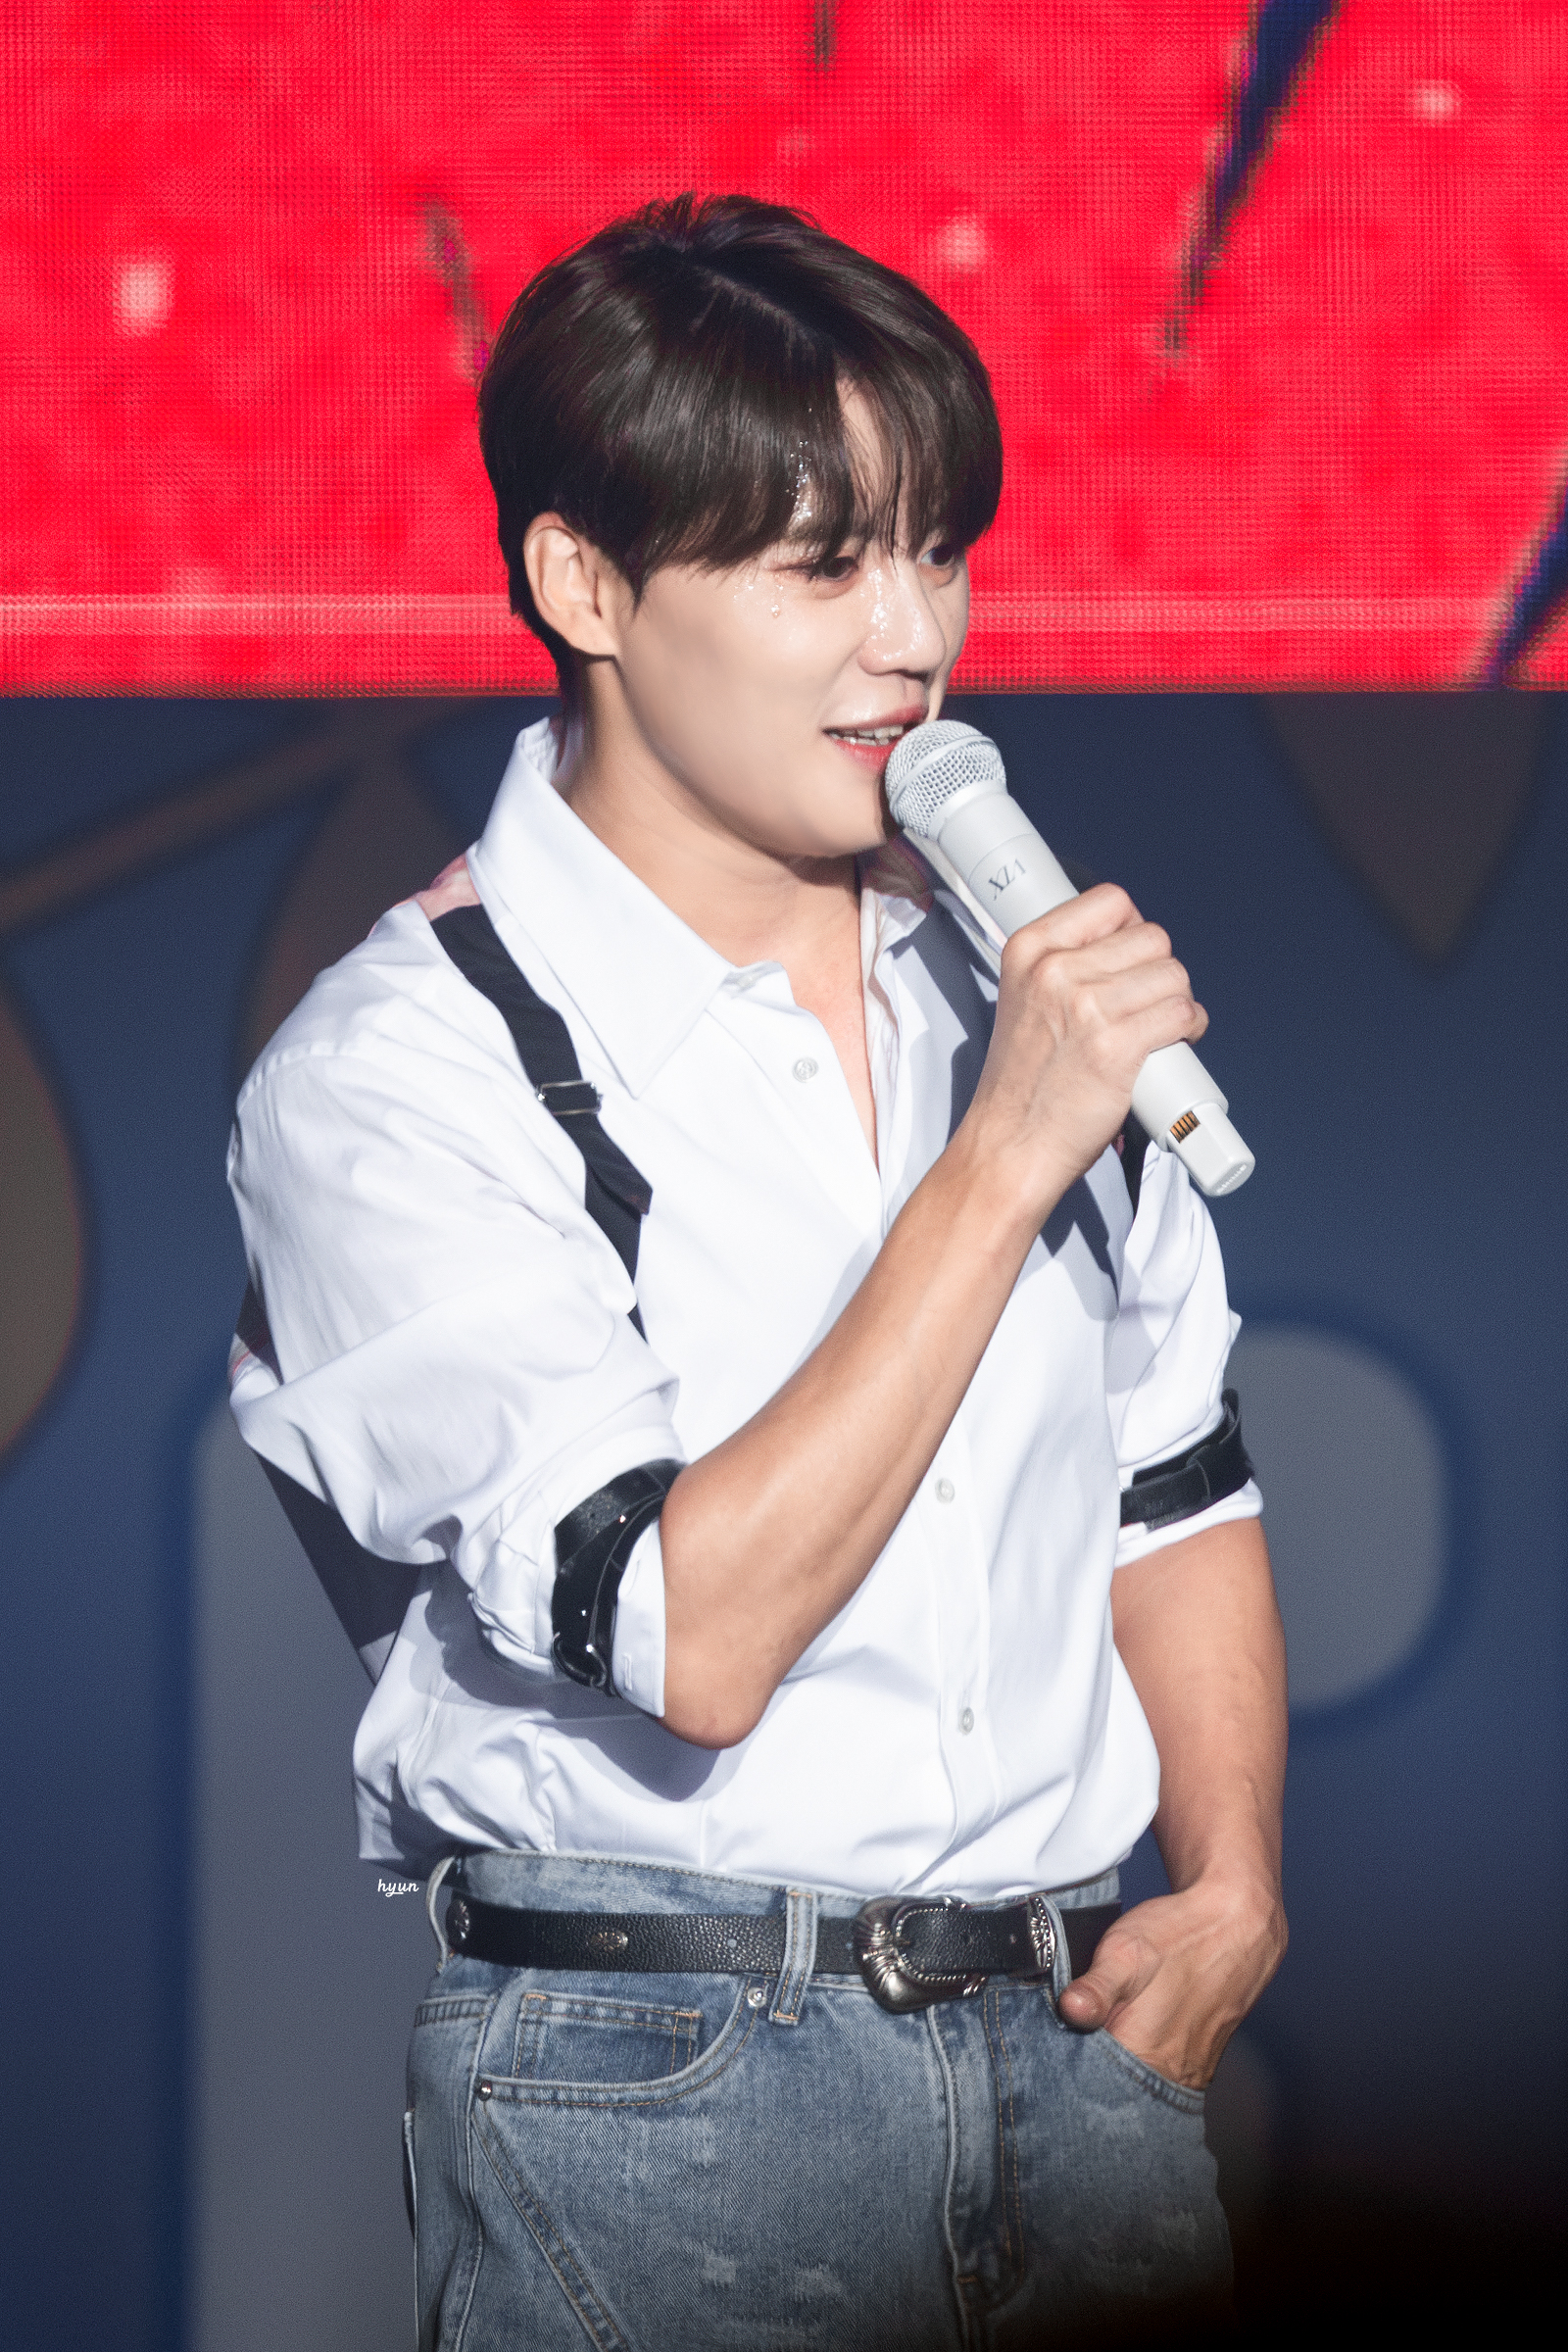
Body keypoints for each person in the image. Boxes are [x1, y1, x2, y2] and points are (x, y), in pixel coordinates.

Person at [227, 193, 1287, 2349]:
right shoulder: (404, 1069)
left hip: (1078, 2054)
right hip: (670, 2080)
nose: (910, 638)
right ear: (581, 584)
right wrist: (1000, 1156)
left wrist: (1237, 1884)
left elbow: (1171, 1484)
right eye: (821, 566)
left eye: (937, 554)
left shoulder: (1004, 981)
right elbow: (688, 1636)